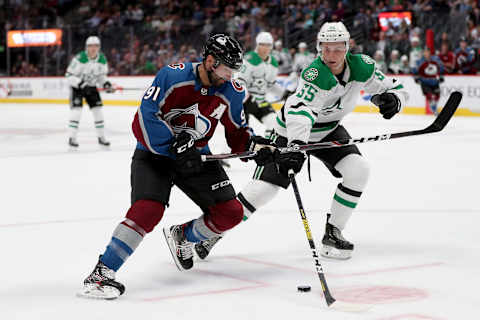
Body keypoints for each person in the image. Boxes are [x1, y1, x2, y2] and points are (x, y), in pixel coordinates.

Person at [78, 34, 273, 300]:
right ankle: (101, 273)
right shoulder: (172, 76)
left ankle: (184, 236)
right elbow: (144, 118)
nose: (230, 75)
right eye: (226, 67)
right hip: (154, 155)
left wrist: (257, 148)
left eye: (233, 69)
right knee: (147, 211)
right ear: (210, 61)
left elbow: (238, 132)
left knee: (230, 213)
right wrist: (172, 146)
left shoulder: (233, 91)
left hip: (196, 157)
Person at [194, 22, 409, 261]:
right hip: (290, 132)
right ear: (319, 48)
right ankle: (211, 233)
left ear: (347, 47)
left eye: (338, 48)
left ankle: (333, 233)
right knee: (262, 191)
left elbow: (393, 86)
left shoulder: (363, 66)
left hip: (330, 130)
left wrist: (395, 99)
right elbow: (301, 114)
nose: (332, 55)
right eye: (326, 48)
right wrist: (296, 147)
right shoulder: (315, 74)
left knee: (359, 170)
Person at [65, 36, 115, 148]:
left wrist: (106, 84)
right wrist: (81, 84)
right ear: (86, 47)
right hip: (77, 88)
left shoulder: (102, 59)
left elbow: (101, 76)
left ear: (99, 47)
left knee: (98, 112)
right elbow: (68, 75)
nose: (93, 48)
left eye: (96, 46)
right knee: (76, 112)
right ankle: (72, 137)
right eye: (90, 46)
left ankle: (101, 137)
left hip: (91, 88)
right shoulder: (79, 58)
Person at [238, 31, 283, 135]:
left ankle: (268, 147)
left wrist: (284, 93)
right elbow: (240, 82)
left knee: (274, 123)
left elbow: (271, 84)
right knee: (243, 130)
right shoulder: (249, 59)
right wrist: (247, 98)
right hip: (245, 101)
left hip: (261, 100)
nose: (265, 48)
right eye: (262, 45)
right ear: (257, 45)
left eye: (268, 45)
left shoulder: (273, 63)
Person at [413, 48, 444, 115]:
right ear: (423, 53)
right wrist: (416, 78)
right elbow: (415, 70)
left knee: (437, 95)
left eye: (428, 52)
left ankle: (434, 106)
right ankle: (433, 108)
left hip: (434, 81)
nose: (426, 54)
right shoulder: (420, 61)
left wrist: (441, 76)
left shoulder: (436, 60)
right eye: (425, 52)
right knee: (428, 94)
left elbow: (441, 68)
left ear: (430, 53)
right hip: (424, 82)